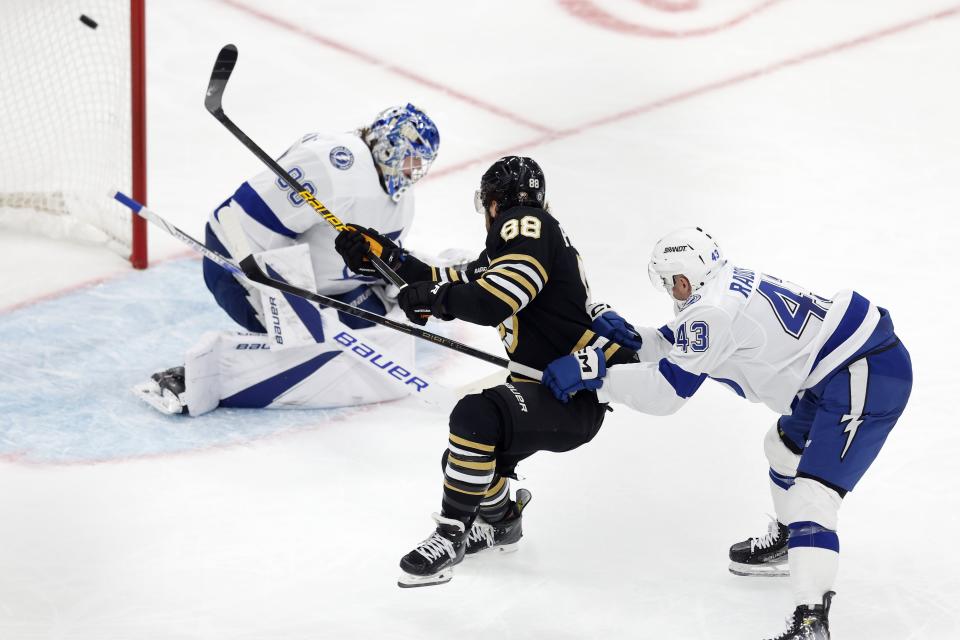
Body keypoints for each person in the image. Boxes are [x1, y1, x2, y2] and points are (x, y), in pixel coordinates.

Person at [542, 227, 912, 639]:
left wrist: (598, 376)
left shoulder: (711, 311)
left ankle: (812, 621)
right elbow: (674, 344)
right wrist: (634, 337)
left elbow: (668, 392)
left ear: (683, 279)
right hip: (834, 370)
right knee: (782, 448)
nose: (670, 290)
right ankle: (795, 542)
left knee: (813, 496)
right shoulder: (722, 286)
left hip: (864, 372)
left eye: (669, 282)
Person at [334, 156, 641, 587]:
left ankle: (450, 536)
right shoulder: (526, 241)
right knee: (466, 460)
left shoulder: (525, 224)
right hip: (556, 393)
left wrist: (437, 299)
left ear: (495, 203)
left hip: (571, 392)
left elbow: (495, 299)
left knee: (476, 417)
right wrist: (381, 254)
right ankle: (500, 523)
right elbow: (444, 277)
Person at [138, 104, 440, 416]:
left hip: (324, 288)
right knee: (312, 348)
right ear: (389, 145)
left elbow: (371, 261)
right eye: (410, 160)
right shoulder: (335, 164)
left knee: (370, 336)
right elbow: (243, 220)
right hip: (240, 263)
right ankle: (202, 377)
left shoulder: (401, 202)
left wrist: (399, 279)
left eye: (420, 165)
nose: (413, 171)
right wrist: (285, 297)